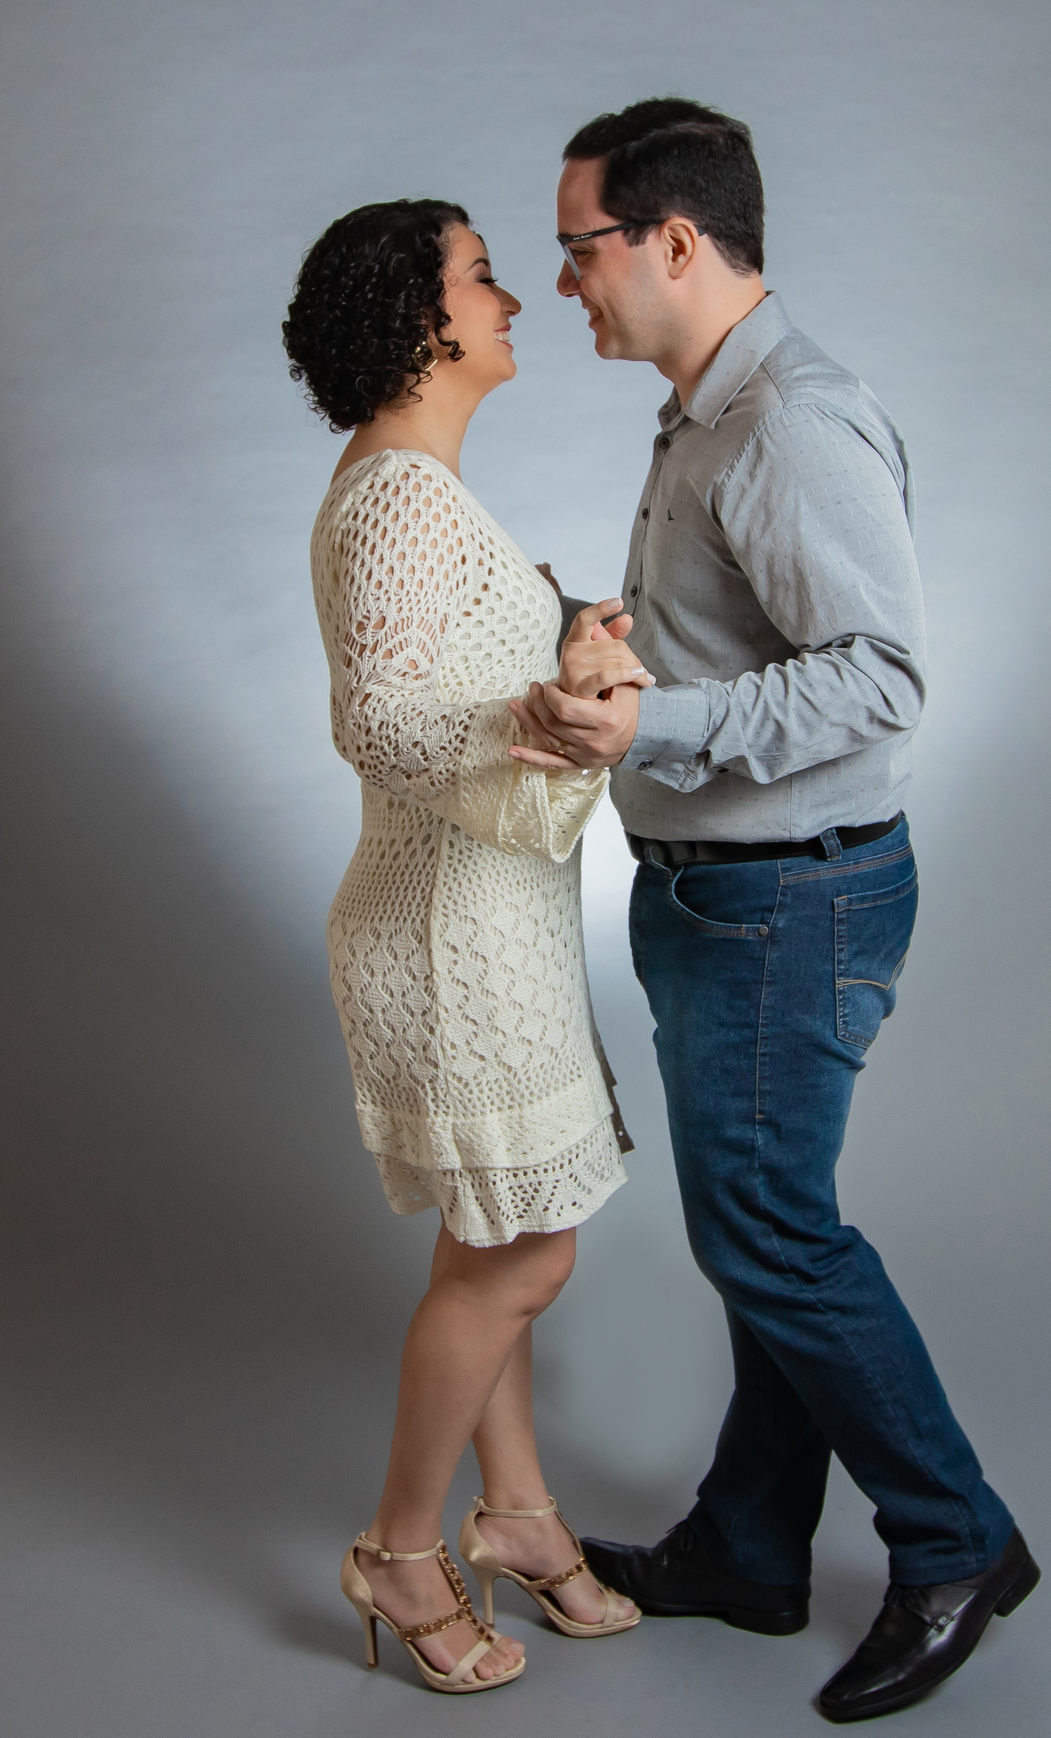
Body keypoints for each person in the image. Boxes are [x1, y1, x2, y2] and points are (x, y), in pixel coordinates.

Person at [509, 99, 1040, 1724]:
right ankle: (750, 1546)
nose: (564, 284)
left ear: (673, 240)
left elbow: (882, 683)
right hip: (722, 899)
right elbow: (750, 646)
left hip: (784, 905)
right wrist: (607, 640)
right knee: (764, 1232)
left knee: (772, 1235)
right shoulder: (703, 413)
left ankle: (956, 1540)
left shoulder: (794, 420)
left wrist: (650, 723)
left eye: (579, 249)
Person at [283, 200, 644, 1696]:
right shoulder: (395, 496)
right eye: (483, 276)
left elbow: (450, 680)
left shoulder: (418, 487)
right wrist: (534, 713)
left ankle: (520, 1516)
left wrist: (565, 647)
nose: (513, 297)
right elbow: (377, 717)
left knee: (490, 1239)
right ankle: (401, 1550)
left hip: (484, 921)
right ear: (422, 321)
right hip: (443, 938)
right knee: (525, 1253)